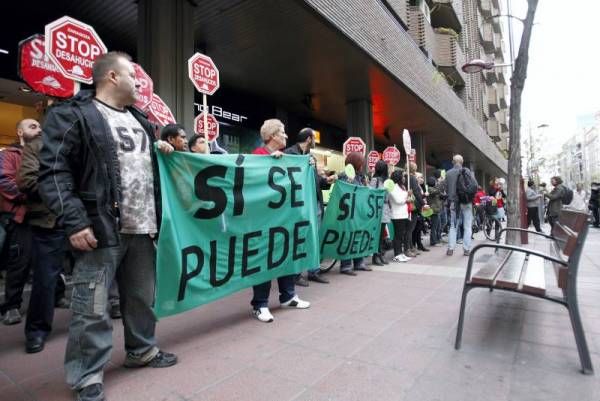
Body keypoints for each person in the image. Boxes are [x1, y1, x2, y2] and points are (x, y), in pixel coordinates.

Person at [38, 51, 177, 401]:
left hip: (143, 228)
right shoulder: (72, 114)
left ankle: (141, 350)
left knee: (142, 298)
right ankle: (86, 376)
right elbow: (53, 171)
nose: (139, 83)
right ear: (113, 77)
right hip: (99, 229)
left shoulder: (142, 121)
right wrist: (75, 221)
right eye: (133, 75)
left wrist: (160, 149)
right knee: (92, 307)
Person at [249, 119, 310, 323]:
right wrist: (270, 163)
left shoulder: (287, 157)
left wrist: (306, 166)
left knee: (286, 256)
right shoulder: (258, 156)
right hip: (264, 223)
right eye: (282, 132)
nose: (286, 136)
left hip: (284, 221)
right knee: (264, 261)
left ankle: (288, 296)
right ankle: (260, 304)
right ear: (272, 136)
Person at [17, 133, 69, 353]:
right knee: (45, 277)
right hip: (50, 219)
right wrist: (62, 187)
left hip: (84, 219)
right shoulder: (36, 146)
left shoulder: (81, 142)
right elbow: (26, 180)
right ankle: (37, 330)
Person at [0, 119, 41, 325]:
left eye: (39, 126)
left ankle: (56, 296)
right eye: (32, 126)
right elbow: (4, 181)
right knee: (19, 262)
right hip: (21, 216)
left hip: (44, 216)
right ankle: (11, 306)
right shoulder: (9, 154)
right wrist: (32, 196)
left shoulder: (45, 153)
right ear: (19, 132)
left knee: (50, 262)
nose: (38, 129)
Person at [284, 127, 333, 284]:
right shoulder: (290, 153)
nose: (314, 142)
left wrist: (326, 181)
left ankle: (314, 271)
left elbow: (314, 180)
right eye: (313, 138)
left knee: (314, 238)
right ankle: (296, 274)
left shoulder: (311, 157)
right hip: (300, 205)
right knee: (299, 238)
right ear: (308, 139)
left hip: (315, 204)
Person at [338, 152, 372, 275]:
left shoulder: (360, 177)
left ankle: (359, 262)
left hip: (358, 212)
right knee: (347, 238)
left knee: (358, 236)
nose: (362, 166)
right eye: (361, 163)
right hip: (347, 212)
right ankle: (346, 265)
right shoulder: (344, 175)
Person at [445, 154, 477, 256]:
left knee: (453, 226)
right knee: (467, 226)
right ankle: (466, 249)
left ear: (452, 162)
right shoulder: (467, 171)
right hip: (466, 202)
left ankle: (450, 248)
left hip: (454, 202)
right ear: (462, 162)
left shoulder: (448, 173)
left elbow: (446, 189)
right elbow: (474, 185)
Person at [369, 160, 392, 265]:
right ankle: (376, 255)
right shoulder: (375, 180)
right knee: (378, 234)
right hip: (378, 208)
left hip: (385, 207)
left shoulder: (387, 180)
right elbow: (370, 193)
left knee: (382, 234)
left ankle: (379, 254)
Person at [388, 170, 411, 262]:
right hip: (397, 215)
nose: (404, 178)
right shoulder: (393, 187)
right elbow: (398, 200)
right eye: (403, 176)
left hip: (403, 214)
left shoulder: (401, 187)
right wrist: (407, 195)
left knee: (401, 235)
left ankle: (400, 253)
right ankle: (397, 254)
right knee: (398, 235)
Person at [427, 177, 443, 246]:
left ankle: (436, 240)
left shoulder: (434, 188)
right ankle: (433, 242)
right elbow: (436, 192)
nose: (436, 182)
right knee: (434, 227)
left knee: (437, 226)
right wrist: (440, 184)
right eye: (435, 182)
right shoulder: (430, 189)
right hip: (433, 210)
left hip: (437, 209)